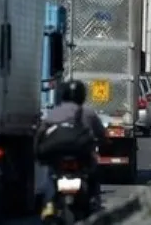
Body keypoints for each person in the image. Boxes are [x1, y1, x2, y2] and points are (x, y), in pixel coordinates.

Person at [36, 80, 107, 210]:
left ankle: (49, 204)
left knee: (51, 175)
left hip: (56, 154)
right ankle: (94, 201)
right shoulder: (88, 113)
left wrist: (39, 152)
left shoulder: (54, 112)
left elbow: (41, 133)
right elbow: (101, 134)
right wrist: (103, 142)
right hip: (80, 155)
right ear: (82, 96)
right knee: (93, 173)